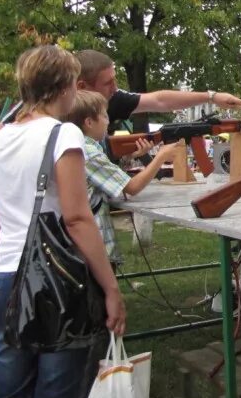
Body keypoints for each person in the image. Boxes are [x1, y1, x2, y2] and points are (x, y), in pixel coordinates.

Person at [0, 45, 125, 398]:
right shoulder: (64, 136)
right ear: (65, 87)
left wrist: (11, 266)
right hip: (59, 284)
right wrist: (110, 288)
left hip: (6, 278)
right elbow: (77, 218)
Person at [65, 89, 179, 267]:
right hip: (94, 249)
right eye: (104, 116)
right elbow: (131, 187)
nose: (108, 121)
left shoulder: (82, 148)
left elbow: (105, 176)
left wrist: (131, 156)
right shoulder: (89, 153)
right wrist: (160, 157)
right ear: (88, 122)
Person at [75, 49, 241, 132]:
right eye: (107, 83)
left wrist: (212, 97)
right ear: (81, 87)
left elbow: (159, 100)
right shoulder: (60, 116)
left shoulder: (114, 99)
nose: (115, 88)